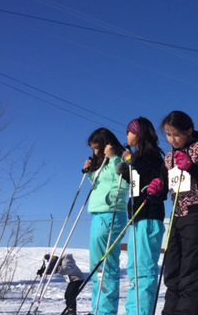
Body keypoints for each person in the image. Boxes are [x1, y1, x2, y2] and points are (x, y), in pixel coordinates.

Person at [161, 111, 198, 315]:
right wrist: (157, 186)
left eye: (176, 134)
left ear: (189, 131)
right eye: (168, 134)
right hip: (177, 215)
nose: (172, 139)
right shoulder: (168, 157)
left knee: (191, 271)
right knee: (172, 269)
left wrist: (192, 166)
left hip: (197, 212)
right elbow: (165, 184)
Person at [118, 117, 168, 314]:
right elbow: (138, 185)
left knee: (144, 271)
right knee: (135, 270)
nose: (127, 135)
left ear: (138, 133)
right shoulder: (138, 157)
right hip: (138, 218)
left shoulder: (151, 156)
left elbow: (158, 186)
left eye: (129, 131)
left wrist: (132, 167)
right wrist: (127, 172)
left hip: (148, 217)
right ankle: (134, 310)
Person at [84, 127, 128, 315]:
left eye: (97, 148)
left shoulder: (121, 158)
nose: (95, 152)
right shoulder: (102, 162)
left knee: (106, 266)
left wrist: (113, 158)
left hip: (112, 213)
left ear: (107, 145)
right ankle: (97, 309)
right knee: (97, 267)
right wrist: (89, 172)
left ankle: (105, 311)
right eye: (93, 149)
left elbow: (124, 181)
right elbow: (100, 186)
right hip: (98, 213)